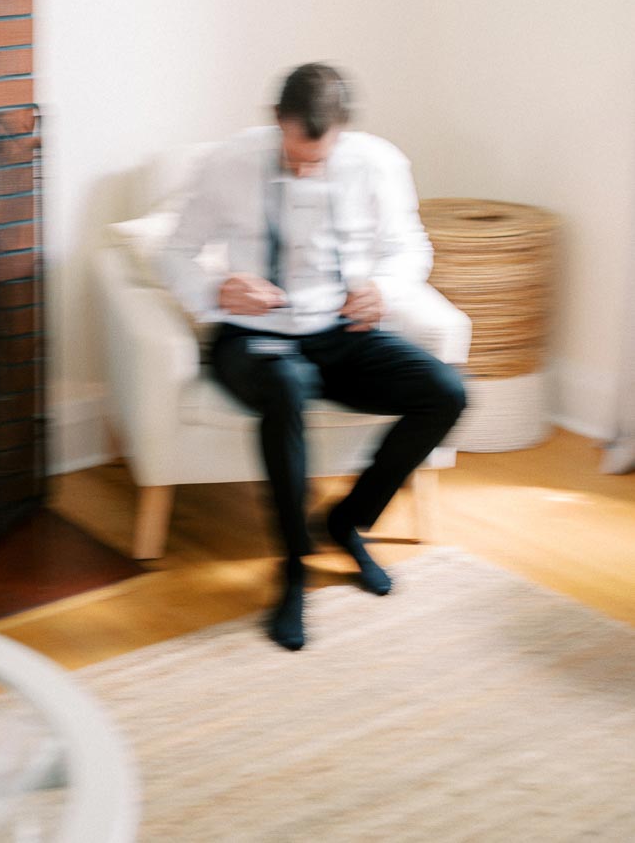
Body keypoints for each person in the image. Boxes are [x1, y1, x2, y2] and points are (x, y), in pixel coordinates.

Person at [158, 63, 466, 651]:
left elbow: (410, 247)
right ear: (278, 121)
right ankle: (294, 565)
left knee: (446, 393)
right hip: (251, 335)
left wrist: (384, 289)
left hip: (340, 332)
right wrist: (216, 291)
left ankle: (346, 521)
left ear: (343, 130)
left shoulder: (378, 164)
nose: (304, 168)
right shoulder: (228, 163)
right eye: (295, 154)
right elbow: (174, 252)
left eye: (317, 160)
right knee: (286, 387)